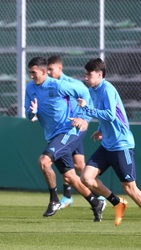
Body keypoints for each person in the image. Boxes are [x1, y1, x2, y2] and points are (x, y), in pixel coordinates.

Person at [78, 58, 141, 236]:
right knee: (86, 178)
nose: (86, 77)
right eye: (85, 74)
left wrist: (87, 109)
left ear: (100, 75)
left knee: (130, 188)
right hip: (107, 144)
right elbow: (107, 116)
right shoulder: (93, 90)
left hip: (121, 144)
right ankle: (117, 203)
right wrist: (101, 130)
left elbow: (110, 114)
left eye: (89, 74)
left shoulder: (108, 89)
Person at [25, 56, 106, 222]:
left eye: (33, 73)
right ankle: (95, 202)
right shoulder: (30, 88)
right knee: (70, 176)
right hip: (54, 135)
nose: (31, 76)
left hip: (69, 130)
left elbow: (84, 93)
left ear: (43, 71)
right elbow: (29, 114)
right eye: (29, 73)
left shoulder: (58, 85)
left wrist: (84, 118)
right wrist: (32, 112)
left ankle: (54, 199)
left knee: (44, 161)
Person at [47, 55, 89, 209]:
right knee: (77, 165)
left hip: (73, 129)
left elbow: (87, 99)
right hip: (62, 129)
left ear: (60, 68)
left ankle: (95, 195)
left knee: (72, 165)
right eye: (47, 70)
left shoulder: (72, 84)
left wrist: (83, 119)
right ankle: (69, 195)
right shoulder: (49, 86)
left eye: (51, 69)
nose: (49, 72)